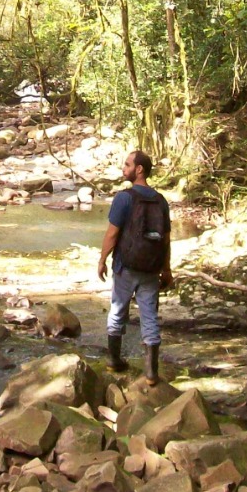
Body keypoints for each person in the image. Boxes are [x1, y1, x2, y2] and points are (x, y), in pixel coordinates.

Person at [97, 149, 172, 385]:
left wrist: (102, 260)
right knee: (149, 316)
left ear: (139, 169)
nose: (123, 168)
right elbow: (166, 239)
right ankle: (151, 373)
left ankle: (114, 360)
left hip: (126, 266)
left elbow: (112, 234)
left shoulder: (124, 198)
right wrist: (166, 269)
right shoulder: (161, 200)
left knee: (118, 311)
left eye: (127, 164)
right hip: (151, 268)